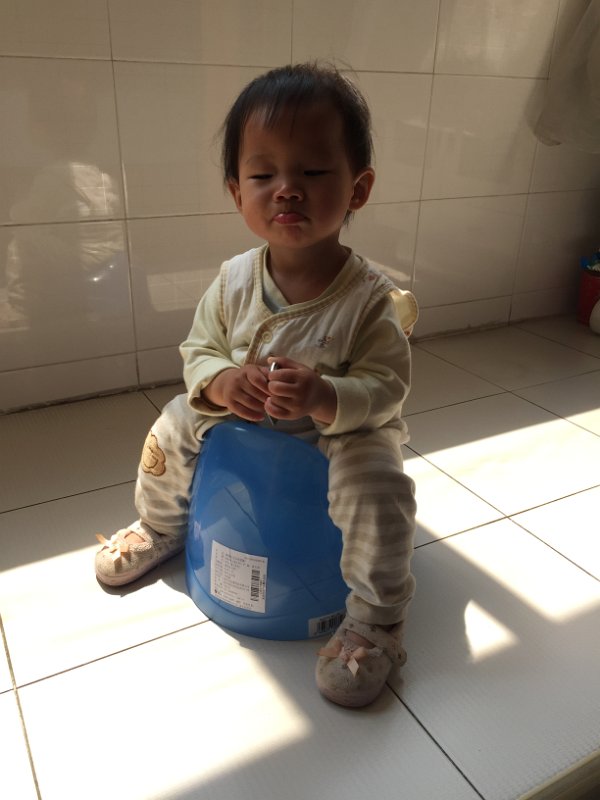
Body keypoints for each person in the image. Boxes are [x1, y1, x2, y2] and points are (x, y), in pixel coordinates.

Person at [95, 63, 418, 708]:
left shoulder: (370, 299)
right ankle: (162, 525)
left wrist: (328, 397)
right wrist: (220, 383)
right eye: (263, 175)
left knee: (379, 481)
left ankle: (376, 618)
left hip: (337, 433)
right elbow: (198, 349)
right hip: (241, 420)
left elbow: (387, 386)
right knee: (173, 422)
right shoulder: (233, 280)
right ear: (236, 191)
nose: (287, 190)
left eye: (314, 172)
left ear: (358, 188)